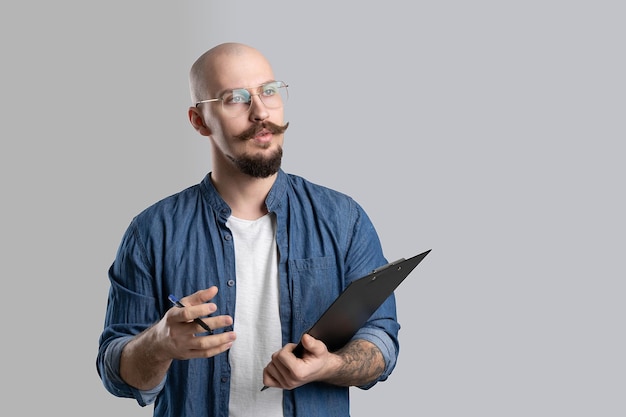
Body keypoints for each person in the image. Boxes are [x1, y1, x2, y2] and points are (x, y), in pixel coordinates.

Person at [97, 42, 401, 417]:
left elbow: (380, 340)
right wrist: (158, 344)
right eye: (235, 98)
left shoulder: (344, 219)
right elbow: (117, 374)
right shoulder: (151, 232)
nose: (260, 111)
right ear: (199, 121)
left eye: (268, 91)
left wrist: (329, 366)